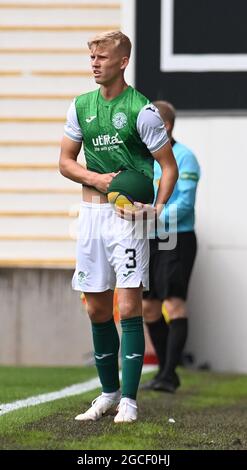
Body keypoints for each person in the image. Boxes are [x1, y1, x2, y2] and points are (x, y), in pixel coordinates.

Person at [59, 31, 178, 422]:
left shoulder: (142, 110)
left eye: (102, 57)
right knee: (95, 308)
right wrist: (99, 180)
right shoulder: (80, 106)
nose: (95, 63)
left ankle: (129, 400)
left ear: (122, 61)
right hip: (91, 216)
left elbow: (168, 167)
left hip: (129, 220)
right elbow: (65, 162)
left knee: (127, 305)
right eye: (92, 56)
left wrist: (157, 209)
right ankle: (108, 393)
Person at [142, 100, 200, 393]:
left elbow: (185, 205)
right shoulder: (144, 158)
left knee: (173, 304)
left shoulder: (185, 157)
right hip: (150, 238)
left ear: (164, 126)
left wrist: (152, 214)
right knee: (148, 307)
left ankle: (168, 373)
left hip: (177, 237)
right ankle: (167, 373)